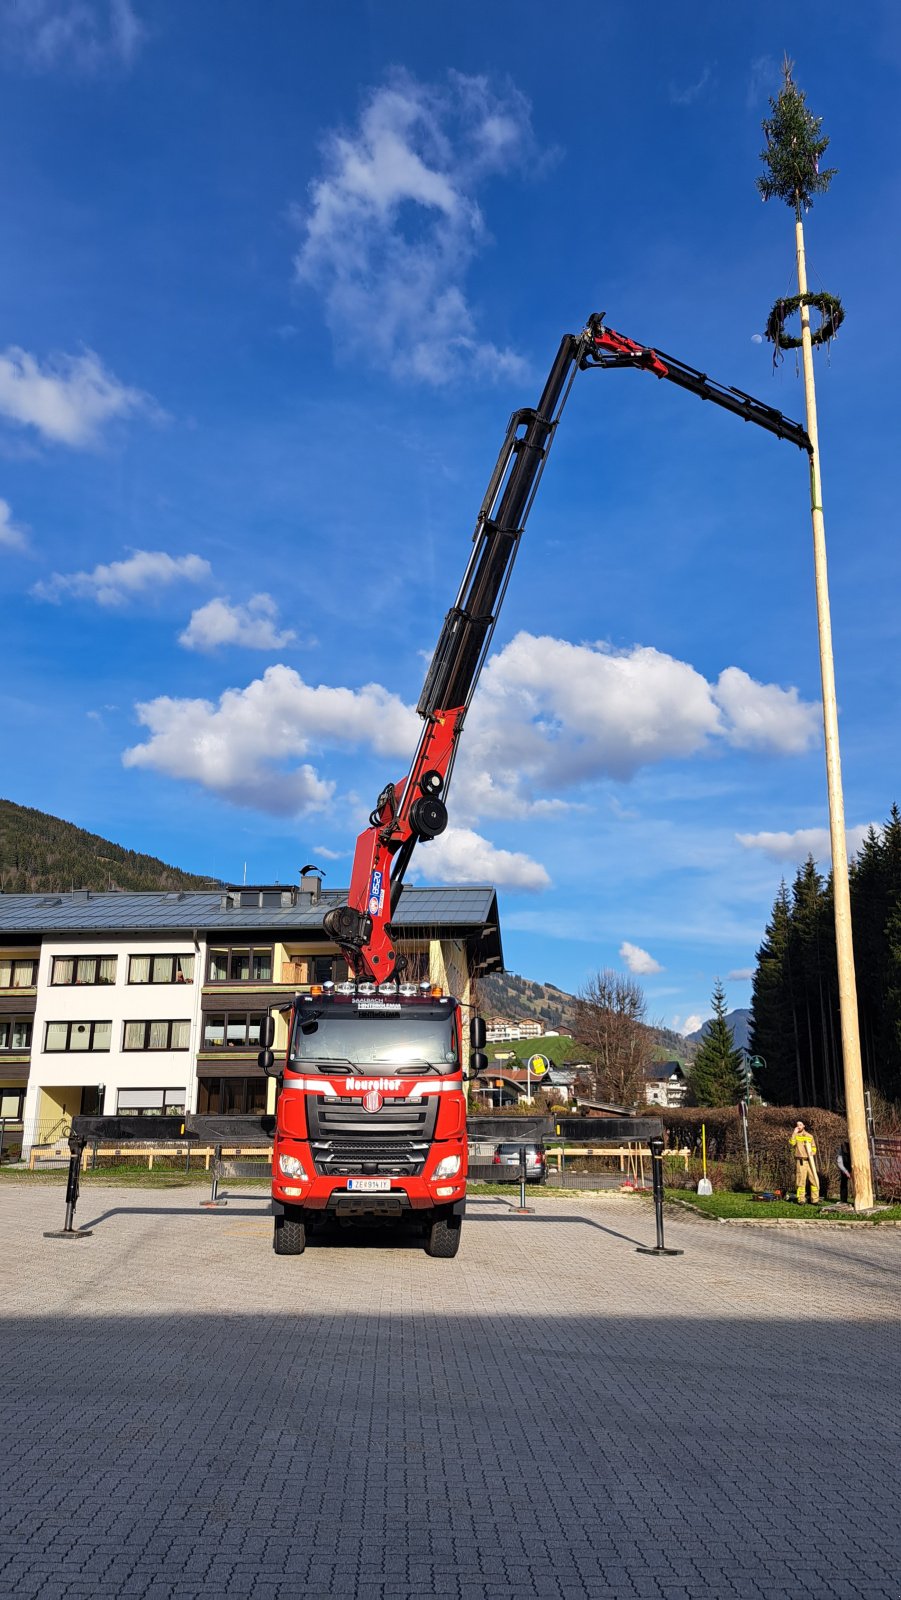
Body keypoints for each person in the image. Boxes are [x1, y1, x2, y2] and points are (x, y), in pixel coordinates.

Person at [789, 1120, 820, 1204]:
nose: (798, 1126)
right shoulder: (796, 1135)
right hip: (801, 1161)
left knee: (813, 1179)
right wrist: (794, 1133)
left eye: (800, 1125)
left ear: (804, 1126)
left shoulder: (810, 1136)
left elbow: (814, 1147)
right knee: (801, 1181)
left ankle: (815, 1200)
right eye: (797, 1125)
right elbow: (792, 1143)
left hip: (810, 1161)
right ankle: (801, 1199)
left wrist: (812, 1152)